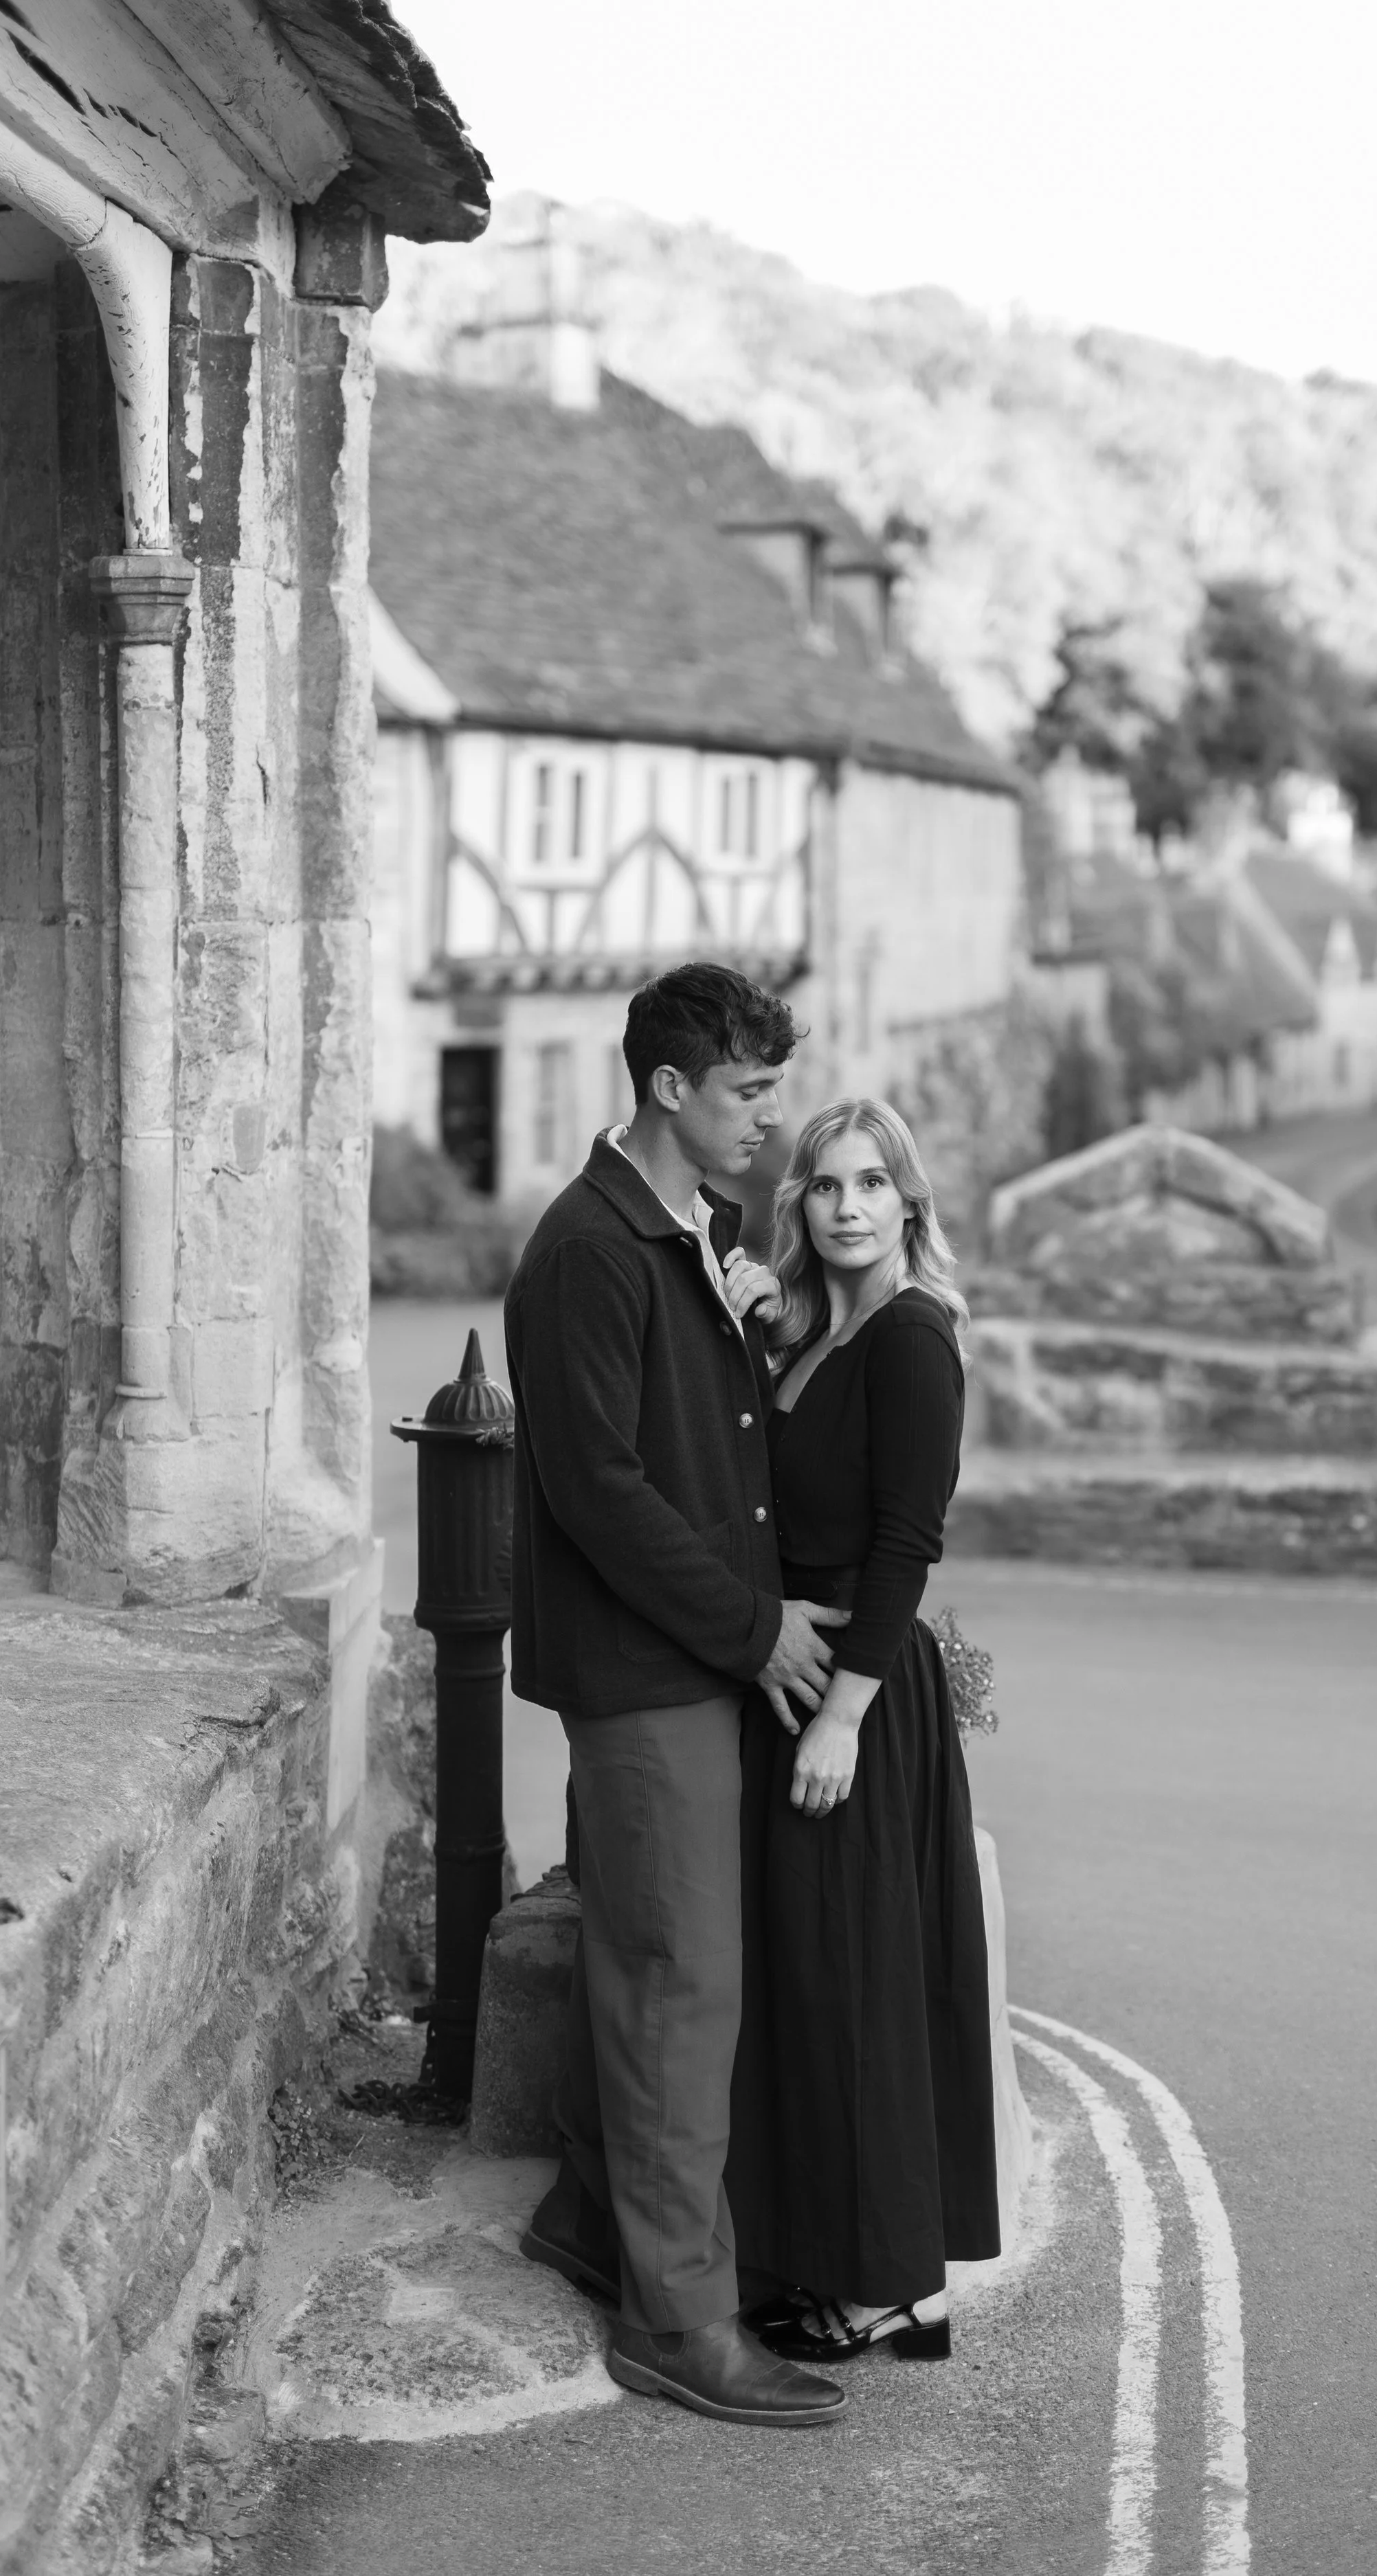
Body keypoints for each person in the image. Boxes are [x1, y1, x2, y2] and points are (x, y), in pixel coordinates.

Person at [504, 962, 849, 2428]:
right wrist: (752, 1630)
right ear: (666, 1089)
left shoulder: (691, 1232)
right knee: (676, 1982)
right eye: (746, 1093)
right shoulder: (588, 1250)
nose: (768, 1121)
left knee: (638, 1958)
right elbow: (597, 1489)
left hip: (684, 1659)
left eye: (771, 1091)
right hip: (650, 1669)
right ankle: (677, 2321)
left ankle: (589, 2219)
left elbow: (696, 1446)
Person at [727, 1097, 1000, 2361]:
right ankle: (870, 2266)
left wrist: (842, 1714)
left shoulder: (911, 1340)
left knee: (860, 1991)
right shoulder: (810, 1335)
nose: (844, 1205)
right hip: (798, 1682)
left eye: (869, 1185)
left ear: (908, 1203)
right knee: (823, 1987)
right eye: (823, 1185)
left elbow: (907, 1542)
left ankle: (894, 2279)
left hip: (859, 1706)